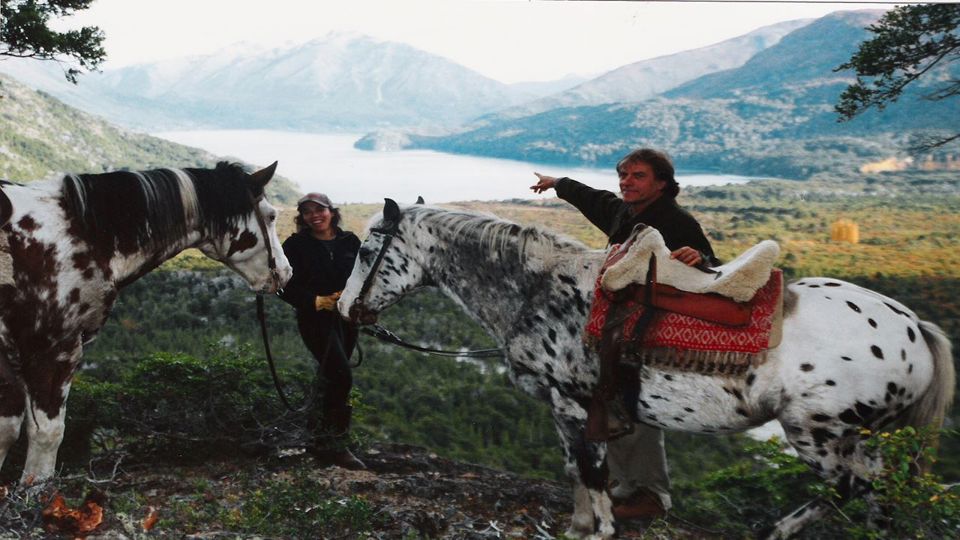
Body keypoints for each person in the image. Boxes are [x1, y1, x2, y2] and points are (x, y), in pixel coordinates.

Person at [529, 148, 719, 520]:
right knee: (606, 396)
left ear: (662, 183)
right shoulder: (625, 211)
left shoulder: (674, 219)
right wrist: (558, 184)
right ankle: (625, 486)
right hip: (620, 321)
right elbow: (593, 198)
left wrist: (698, 257)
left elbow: (709, 261)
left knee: (631, 402)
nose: (626, 182)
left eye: (638, 176)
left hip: (653, 323)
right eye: (624, 175)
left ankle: (650, 493)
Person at [279, 192, 365, 470]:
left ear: (332, 211)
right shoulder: (295, 245)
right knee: (341, 376)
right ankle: (335, 446)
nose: (315, 215)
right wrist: (314, 301)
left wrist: (354, 298)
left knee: (330, 378)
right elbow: (280, 282)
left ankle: (317, 438)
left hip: (346, 318)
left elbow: (364, 274)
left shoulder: (349, 241)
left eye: (320, 209)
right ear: (302, 217)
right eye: (307, 212)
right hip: (315, 319)